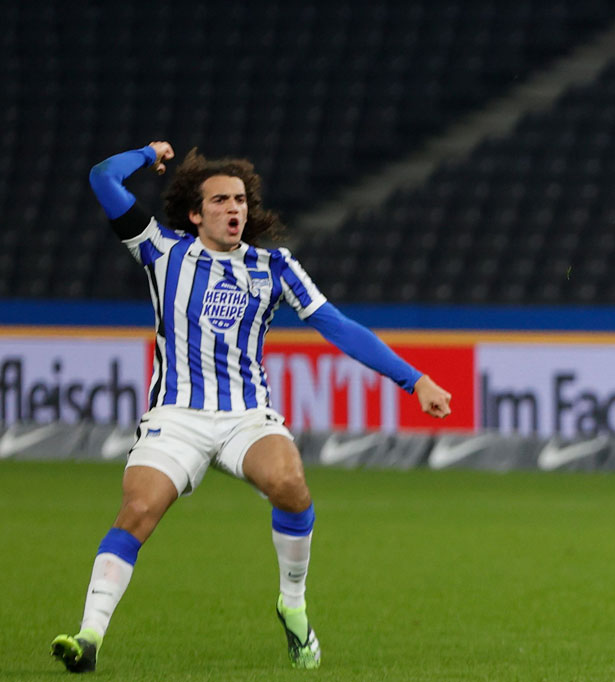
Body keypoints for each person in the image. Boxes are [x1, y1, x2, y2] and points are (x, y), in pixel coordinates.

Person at [51, 142, 453, 673]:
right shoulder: (160, 250)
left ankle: (293, 602)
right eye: (219, 200)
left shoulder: (275, 266)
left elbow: (338, 326)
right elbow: (103, 178)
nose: (234, 208)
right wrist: (149, 154)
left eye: (240, 198)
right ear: (196, 214)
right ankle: (89, 638)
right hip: (177, 416)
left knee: (290, 484)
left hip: (246, 415)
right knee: (139, 510)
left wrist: (415, 379)